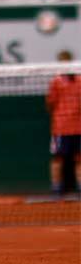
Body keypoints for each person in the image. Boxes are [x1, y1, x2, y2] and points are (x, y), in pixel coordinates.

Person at [46, 51, 80, 198]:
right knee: (57, 158)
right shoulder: (55, 82)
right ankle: (56, 188)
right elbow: (50, 103)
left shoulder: (79, 81)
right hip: (60, 128)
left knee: (79, 158)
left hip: (78, 127)